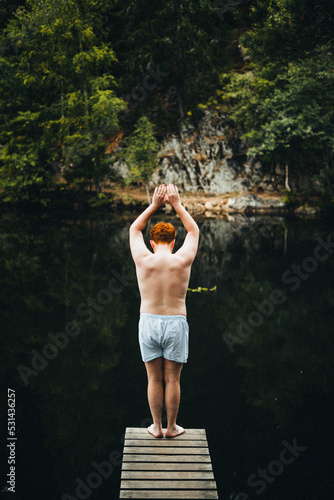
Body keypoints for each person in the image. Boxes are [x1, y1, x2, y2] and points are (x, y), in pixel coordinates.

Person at [129, 184, 199, 438]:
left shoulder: (142, 259)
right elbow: (194, 230)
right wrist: (177, 204)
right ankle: (172, 428)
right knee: (173, 380)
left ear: (151, 241)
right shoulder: (182, 259)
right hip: (175, 322)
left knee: (153, 379)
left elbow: (134, 228)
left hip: (147, 321)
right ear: (173, 242)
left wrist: (155, 205)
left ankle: (156, 427)